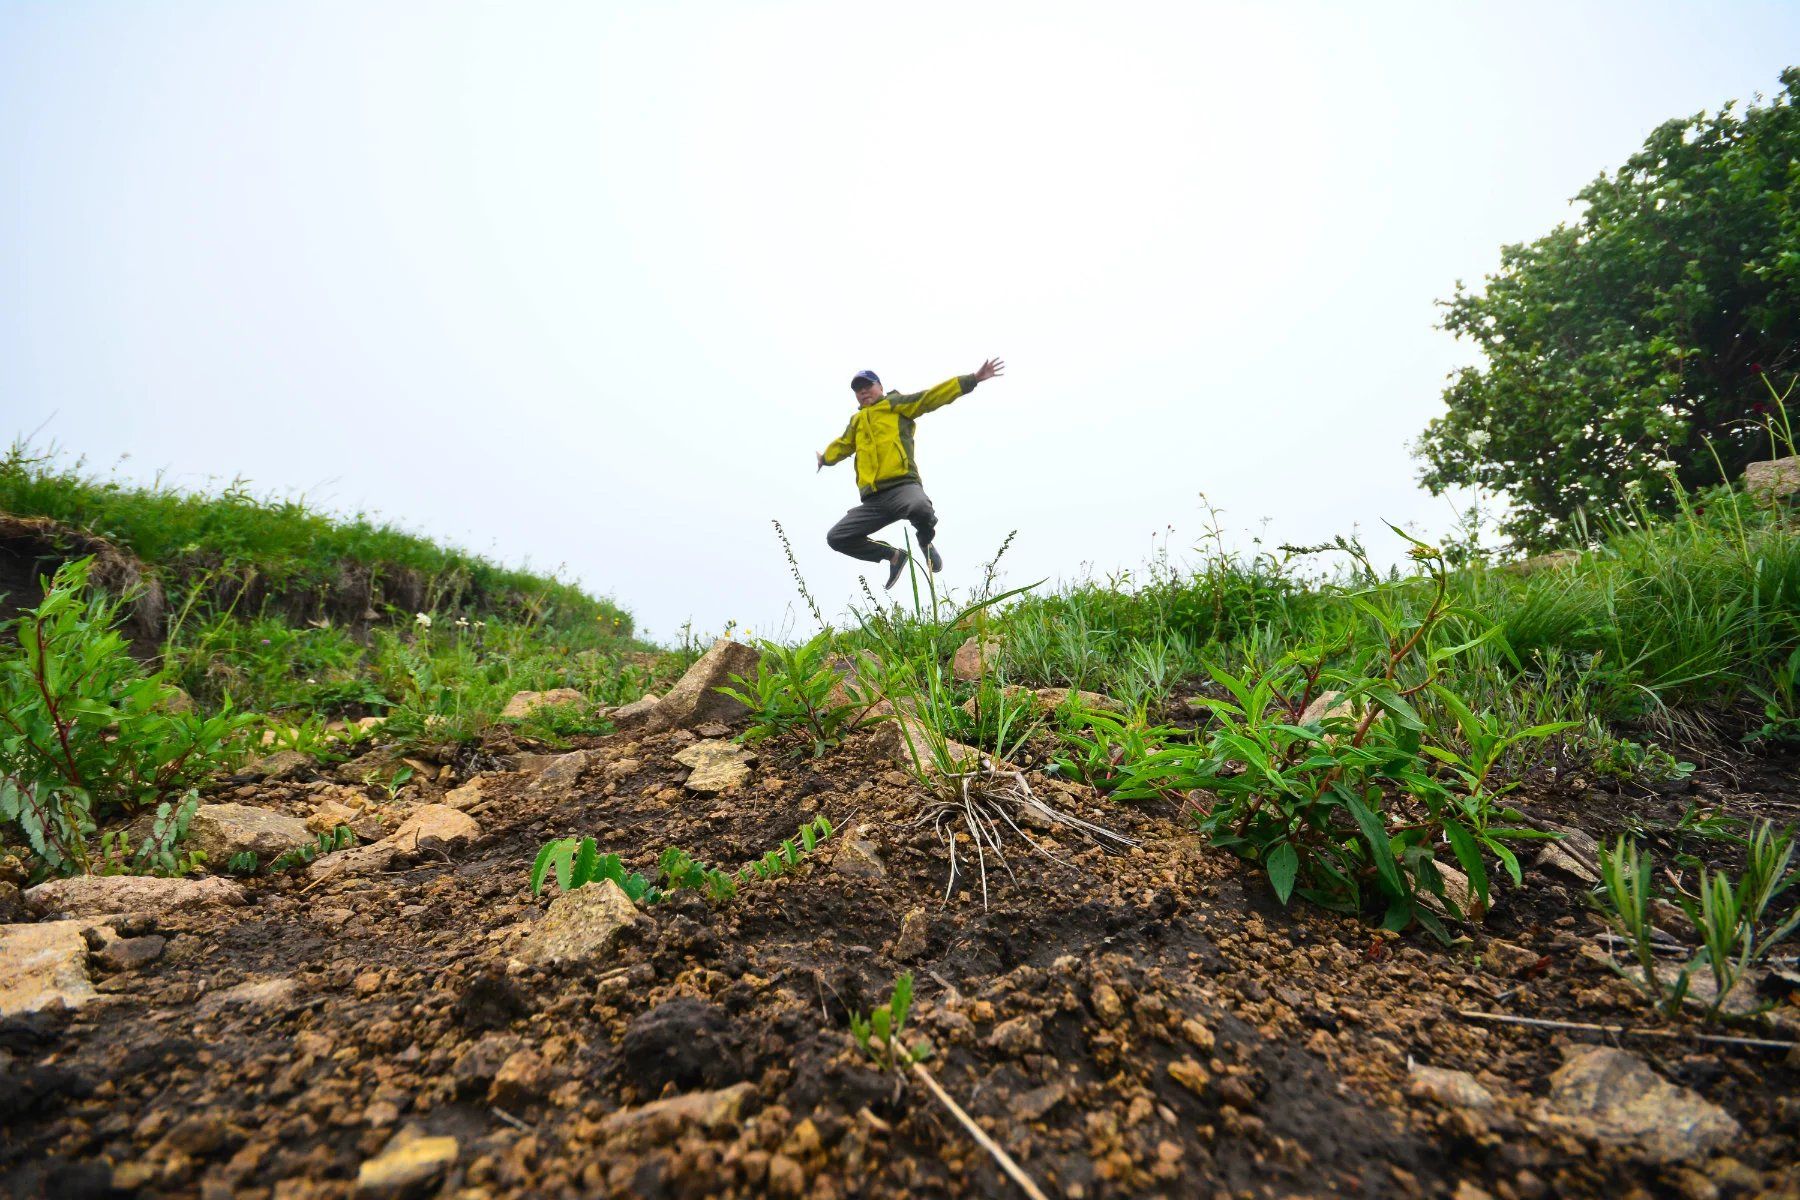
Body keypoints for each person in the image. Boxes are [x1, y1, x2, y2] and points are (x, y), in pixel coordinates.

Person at [816, 358, 1005, 587]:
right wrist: (825, 458)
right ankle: (894, 556)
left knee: (921, 508)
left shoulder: (895, 405)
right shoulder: (856, 422)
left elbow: (929, 398)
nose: (863, 392)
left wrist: (972, 380)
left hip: (902, 488)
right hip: (874, 501)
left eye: (868, 386)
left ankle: (925, 542)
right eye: (858, 389)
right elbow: (843, 444)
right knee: (836, 537)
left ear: (880, 387)